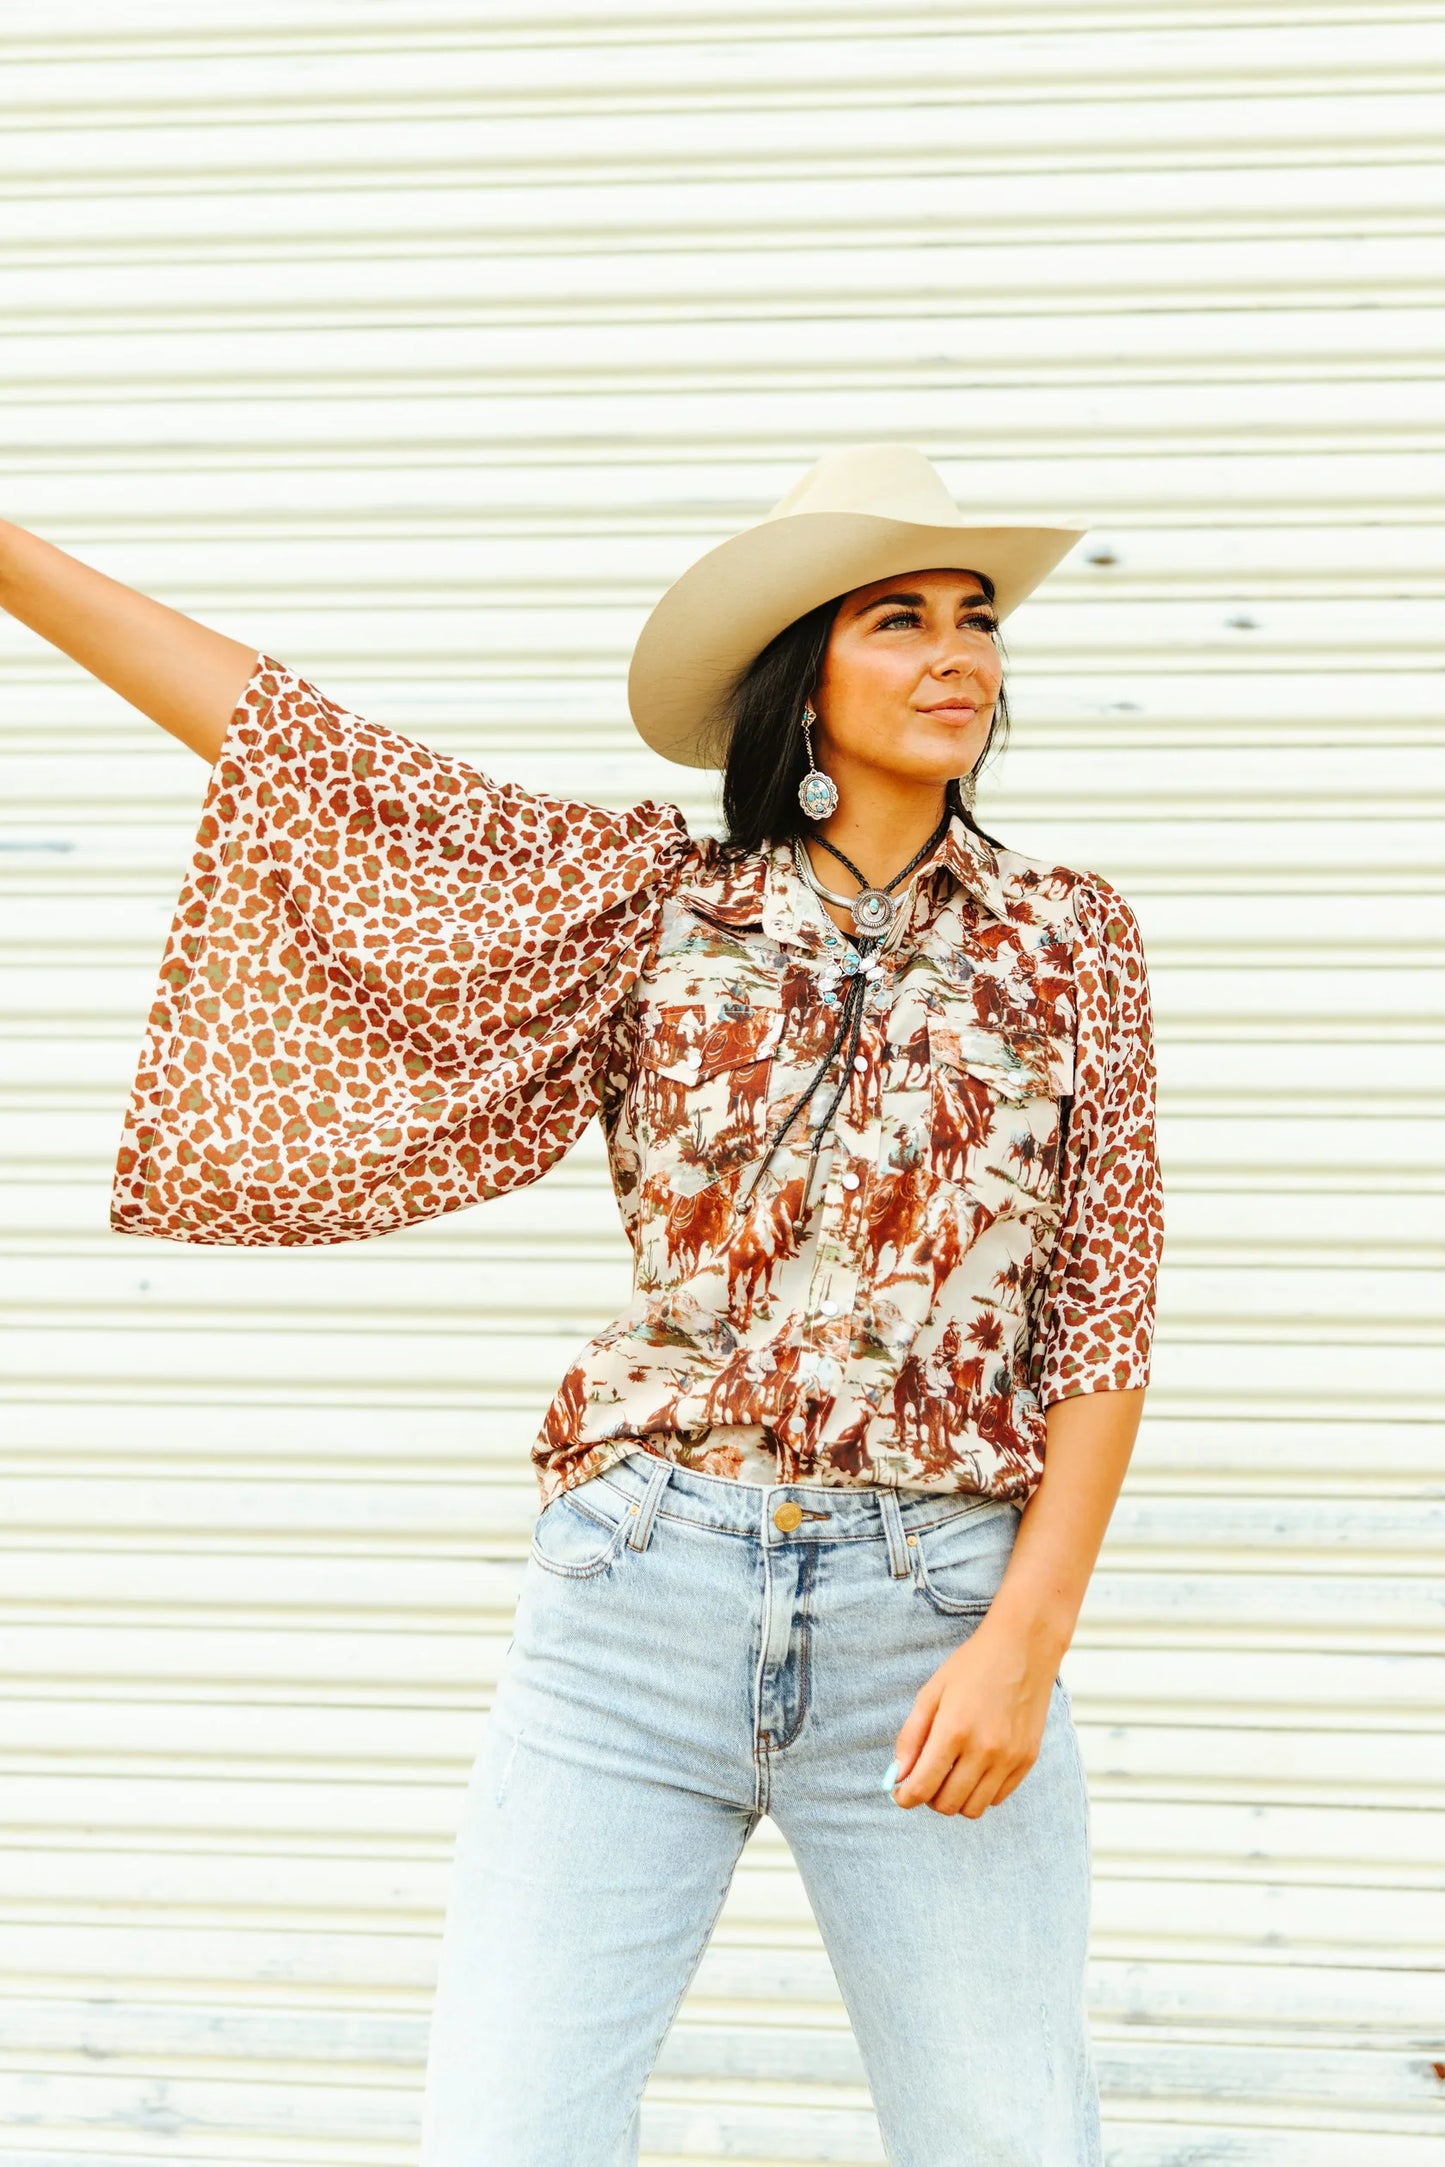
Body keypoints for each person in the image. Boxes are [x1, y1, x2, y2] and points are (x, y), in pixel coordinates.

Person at [0, 443, 1164, 2166]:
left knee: (1004, 2138)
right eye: (896, 619)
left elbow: (1105, 1299)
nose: (956, 655)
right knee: (505, 2134)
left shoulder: (1066, 937)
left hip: (931, 1624)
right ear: (798, 676)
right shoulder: (650, 908)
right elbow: (313, 760)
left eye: (974, 619)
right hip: (637, 1597)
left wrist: (1023, 1641)